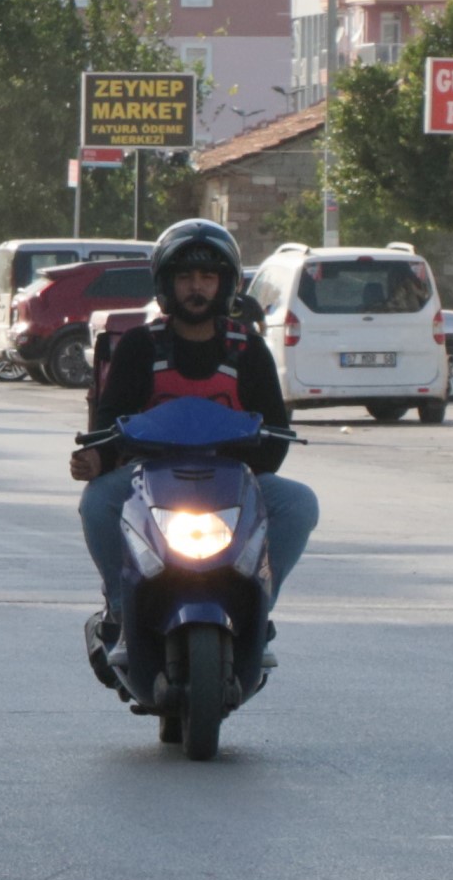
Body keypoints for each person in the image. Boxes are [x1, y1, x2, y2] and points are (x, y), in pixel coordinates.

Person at [70, 218, 317, 645]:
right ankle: (120, 609)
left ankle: (258, 606)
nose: (196, 287)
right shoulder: (140, 346)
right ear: (166, 283)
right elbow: (109, 424)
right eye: (185, 276)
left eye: (208, 276)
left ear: (227, 285)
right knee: (96, 502)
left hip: (232, 480)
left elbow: (276, 431)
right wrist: (95, 458)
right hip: (146, 480)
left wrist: (251, 458)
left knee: (299, 502)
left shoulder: (249, 349)